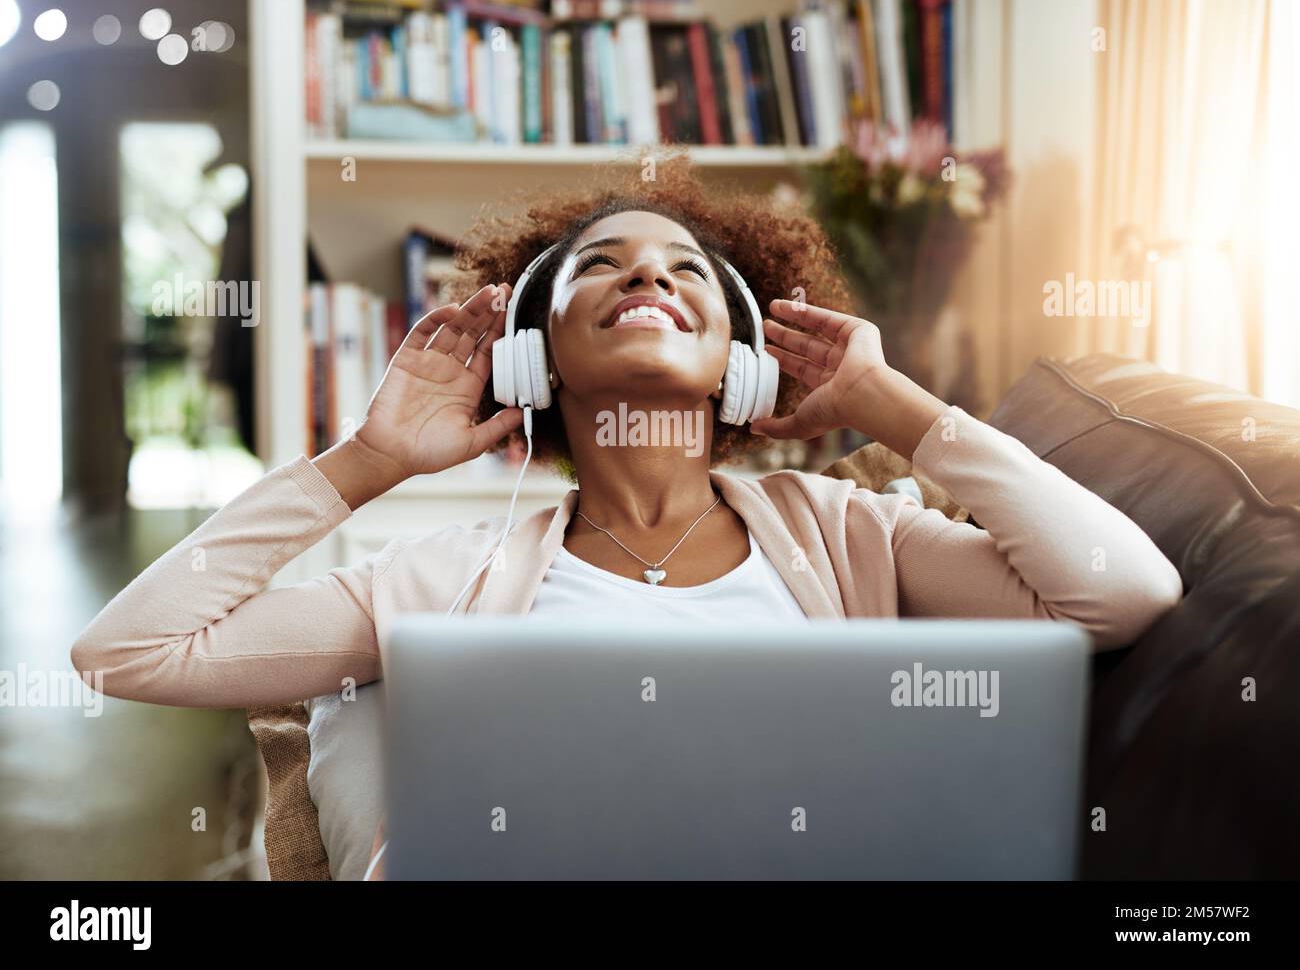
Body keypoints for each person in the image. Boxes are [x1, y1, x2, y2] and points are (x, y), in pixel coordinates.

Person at [71, 159, 1183, 879]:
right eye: (599, 266)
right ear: (533, 360)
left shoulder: (852, 530)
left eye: (685, 269)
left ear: (738, 369)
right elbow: (126, 652)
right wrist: (367, 462)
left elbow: (1121, 592)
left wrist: (899, 406)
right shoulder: (438, 576)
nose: (646, 275)